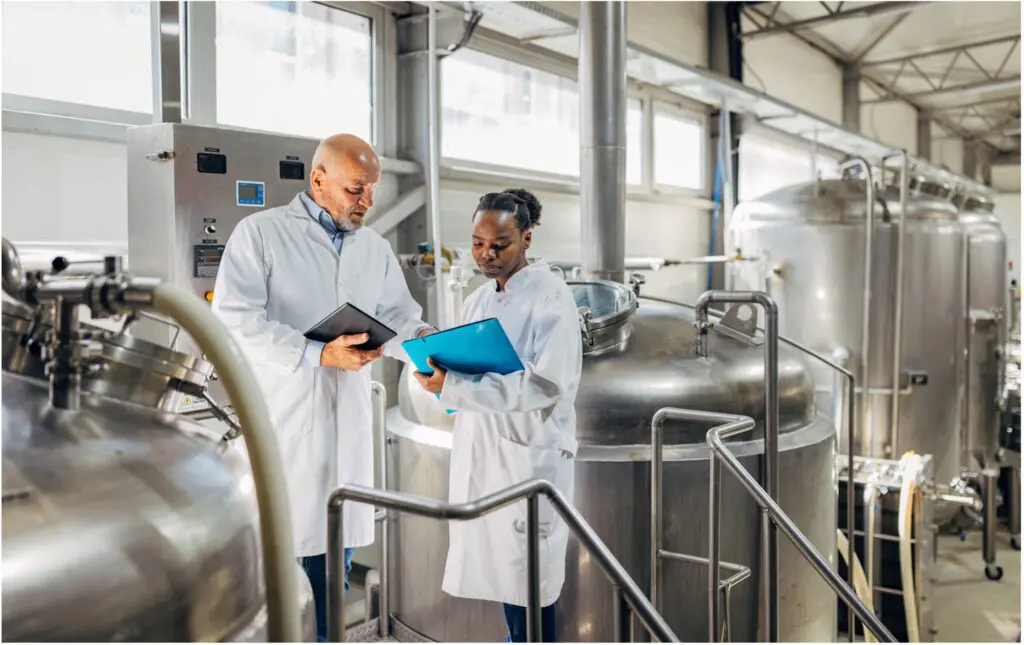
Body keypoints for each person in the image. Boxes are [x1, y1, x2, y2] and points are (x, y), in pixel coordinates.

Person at [211, 133, 435, 641]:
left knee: (332, 579)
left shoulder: (373, 248)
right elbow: (234, 321)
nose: (367, 202)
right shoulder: (261, 234)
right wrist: (317, 353)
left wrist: (426, 349)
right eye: (357, 189)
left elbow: (399, 316)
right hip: (285, 429)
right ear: (318, 180)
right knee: (278, 593)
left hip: (346, 433)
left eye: (372, 190)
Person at [412, 189, 582, 643]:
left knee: (529, 584)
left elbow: (546, 384)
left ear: (527, 237)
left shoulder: (551, 298)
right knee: (506, 581)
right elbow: (469, 372)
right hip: (488, 456)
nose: (486, 255)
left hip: (529, 459)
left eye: (500, 244)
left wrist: (458, 386)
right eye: (477, 243)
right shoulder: (479, 300)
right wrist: (439, 372)